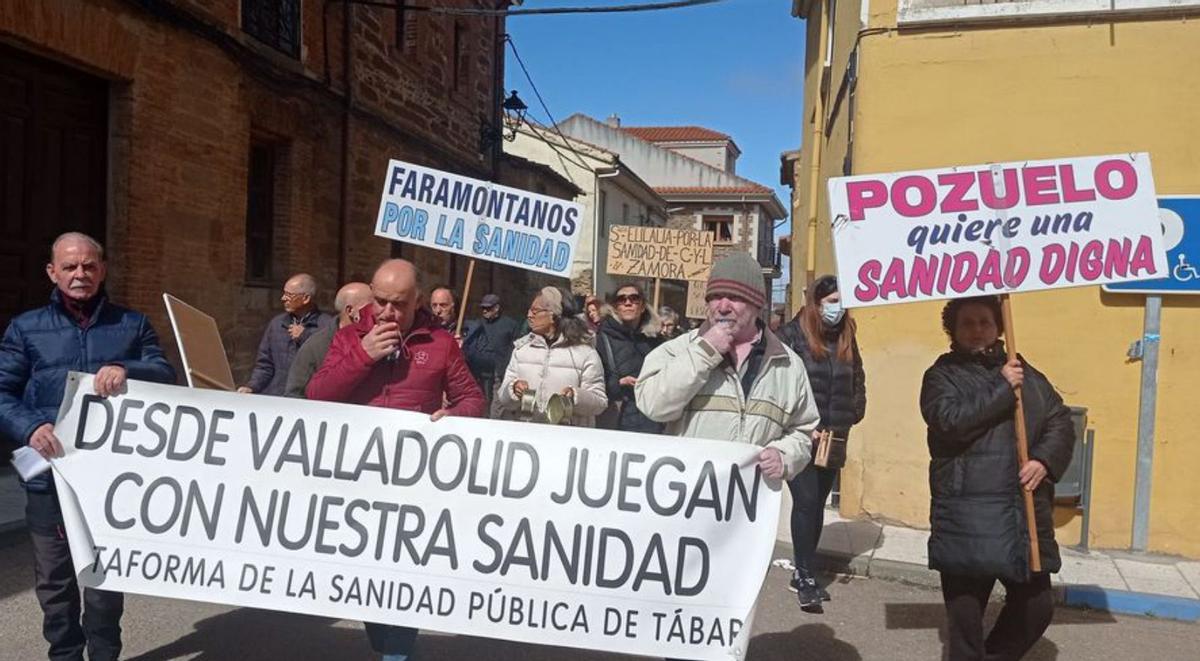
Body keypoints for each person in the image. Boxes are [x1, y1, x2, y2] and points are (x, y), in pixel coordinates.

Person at [0, 232, 176, 661]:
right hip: (49, 478)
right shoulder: (25, 328)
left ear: (103, 269)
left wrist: (127, 368)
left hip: (108, 481)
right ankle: (63, 654)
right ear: (53, 272)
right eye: (70, 267)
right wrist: (29, 428)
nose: (80, 274)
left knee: (102, 579)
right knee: (55, 581)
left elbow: (165, 373)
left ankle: (104, 654)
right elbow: (2, 391)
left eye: (89, 266)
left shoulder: (131, 325)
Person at [306, 259, 485, 661]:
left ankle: (397, 652)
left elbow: (473, 398)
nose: (387, 312)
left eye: (398, 304)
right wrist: (363, 355)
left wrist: (457, 416)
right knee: (369, 578)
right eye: (381, 301)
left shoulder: (439, 344)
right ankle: (382, 638)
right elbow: (317, 395)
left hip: (413, 484)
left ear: (417, 300)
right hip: (357, 480)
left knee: (404, 577)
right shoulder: (350, 337)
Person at [920, 295, 1074, 661]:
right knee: (965, 631)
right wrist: (1002, 388)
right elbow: (949, 421)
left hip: (1020, 518)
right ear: (953, 330)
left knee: (1037, 607)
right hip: (967, 519)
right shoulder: (942, 375)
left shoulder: (1025, 373)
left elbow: (1060, 420)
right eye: (967, 323)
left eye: (985, 322)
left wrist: (1044, 460)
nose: (977, 330)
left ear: (999, 327)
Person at [636, 251, 820, 481]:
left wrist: (784, 456)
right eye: (716, 297)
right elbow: (653, 406)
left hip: (745, 509)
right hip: (686, 498)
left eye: (734, 297)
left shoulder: (788, 365)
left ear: (757, 304)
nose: (722, 306)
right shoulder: (677, 350)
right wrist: (704, 352)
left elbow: (802, 430)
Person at [776, 275, 866, 613]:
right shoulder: (791, 335)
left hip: (835, 433)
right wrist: (798, 422)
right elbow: (779, 382)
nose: (837, 309)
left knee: (817, 506)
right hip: (801, 435)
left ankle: (805, 568)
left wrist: (853, 412)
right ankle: (804, 575)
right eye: (831, 302)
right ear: (816, 303)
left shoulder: (847, 334)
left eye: (841, 302)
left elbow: (857, 374)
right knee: (806, 500)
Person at [498, 287, 608, 427]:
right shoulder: (521, 350)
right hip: (528, 435)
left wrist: (575, 397)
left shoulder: (585, 353)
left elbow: (599, 402)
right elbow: (503, 397)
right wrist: (513, 390)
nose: (529, 315)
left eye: (535, 311)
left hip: (569, 438)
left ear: (553, 315)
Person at [238, 273, 333, 396]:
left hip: (306, 401)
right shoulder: (277, 324)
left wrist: (305, 337)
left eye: (289, 295)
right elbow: (265, 364)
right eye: (284, 293)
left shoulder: (326, 326)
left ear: (306, 299)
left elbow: (329, 365)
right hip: (276, 397)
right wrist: (252, 386)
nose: (283, 298)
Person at [594, 283, 664, 433]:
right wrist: (619, 384)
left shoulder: (656, 340)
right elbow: (594, 383)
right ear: (615, 307)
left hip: (652, 420)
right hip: (617, 421)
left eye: (634, 298)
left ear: (643, 306)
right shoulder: (602, 339)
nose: (628, 303)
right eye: (621, 299)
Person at [284, 281, 371, 398]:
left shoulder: (374, 342)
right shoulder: (315, 346)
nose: (376, 312)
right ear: (350, 310)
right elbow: (294, 394)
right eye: (369, 307)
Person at [462, 293, 520, 416]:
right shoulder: (477, 325)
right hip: (480, 371)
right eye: (483, 308)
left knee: (497, 406)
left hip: (500, 371)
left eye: (488, 308)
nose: (484, 311)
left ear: (496, 308)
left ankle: (494, 425)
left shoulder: (510, 325)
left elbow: (516, 347)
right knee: (482, 402)